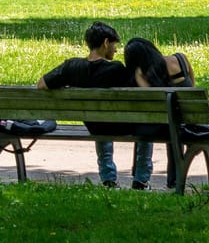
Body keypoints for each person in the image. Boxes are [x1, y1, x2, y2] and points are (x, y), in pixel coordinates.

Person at [37, 22, 153, 189]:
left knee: (101, 122)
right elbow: (141, 91)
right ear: (105, 43)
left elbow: (42, 84)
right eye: (114, 45)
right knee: (146, 127)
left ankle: (108, 180)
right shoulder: (116, 69)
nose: (116, 50)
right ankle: (141, 180)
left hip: (94, 125)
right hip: (120, 125)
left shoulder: (71, 66)